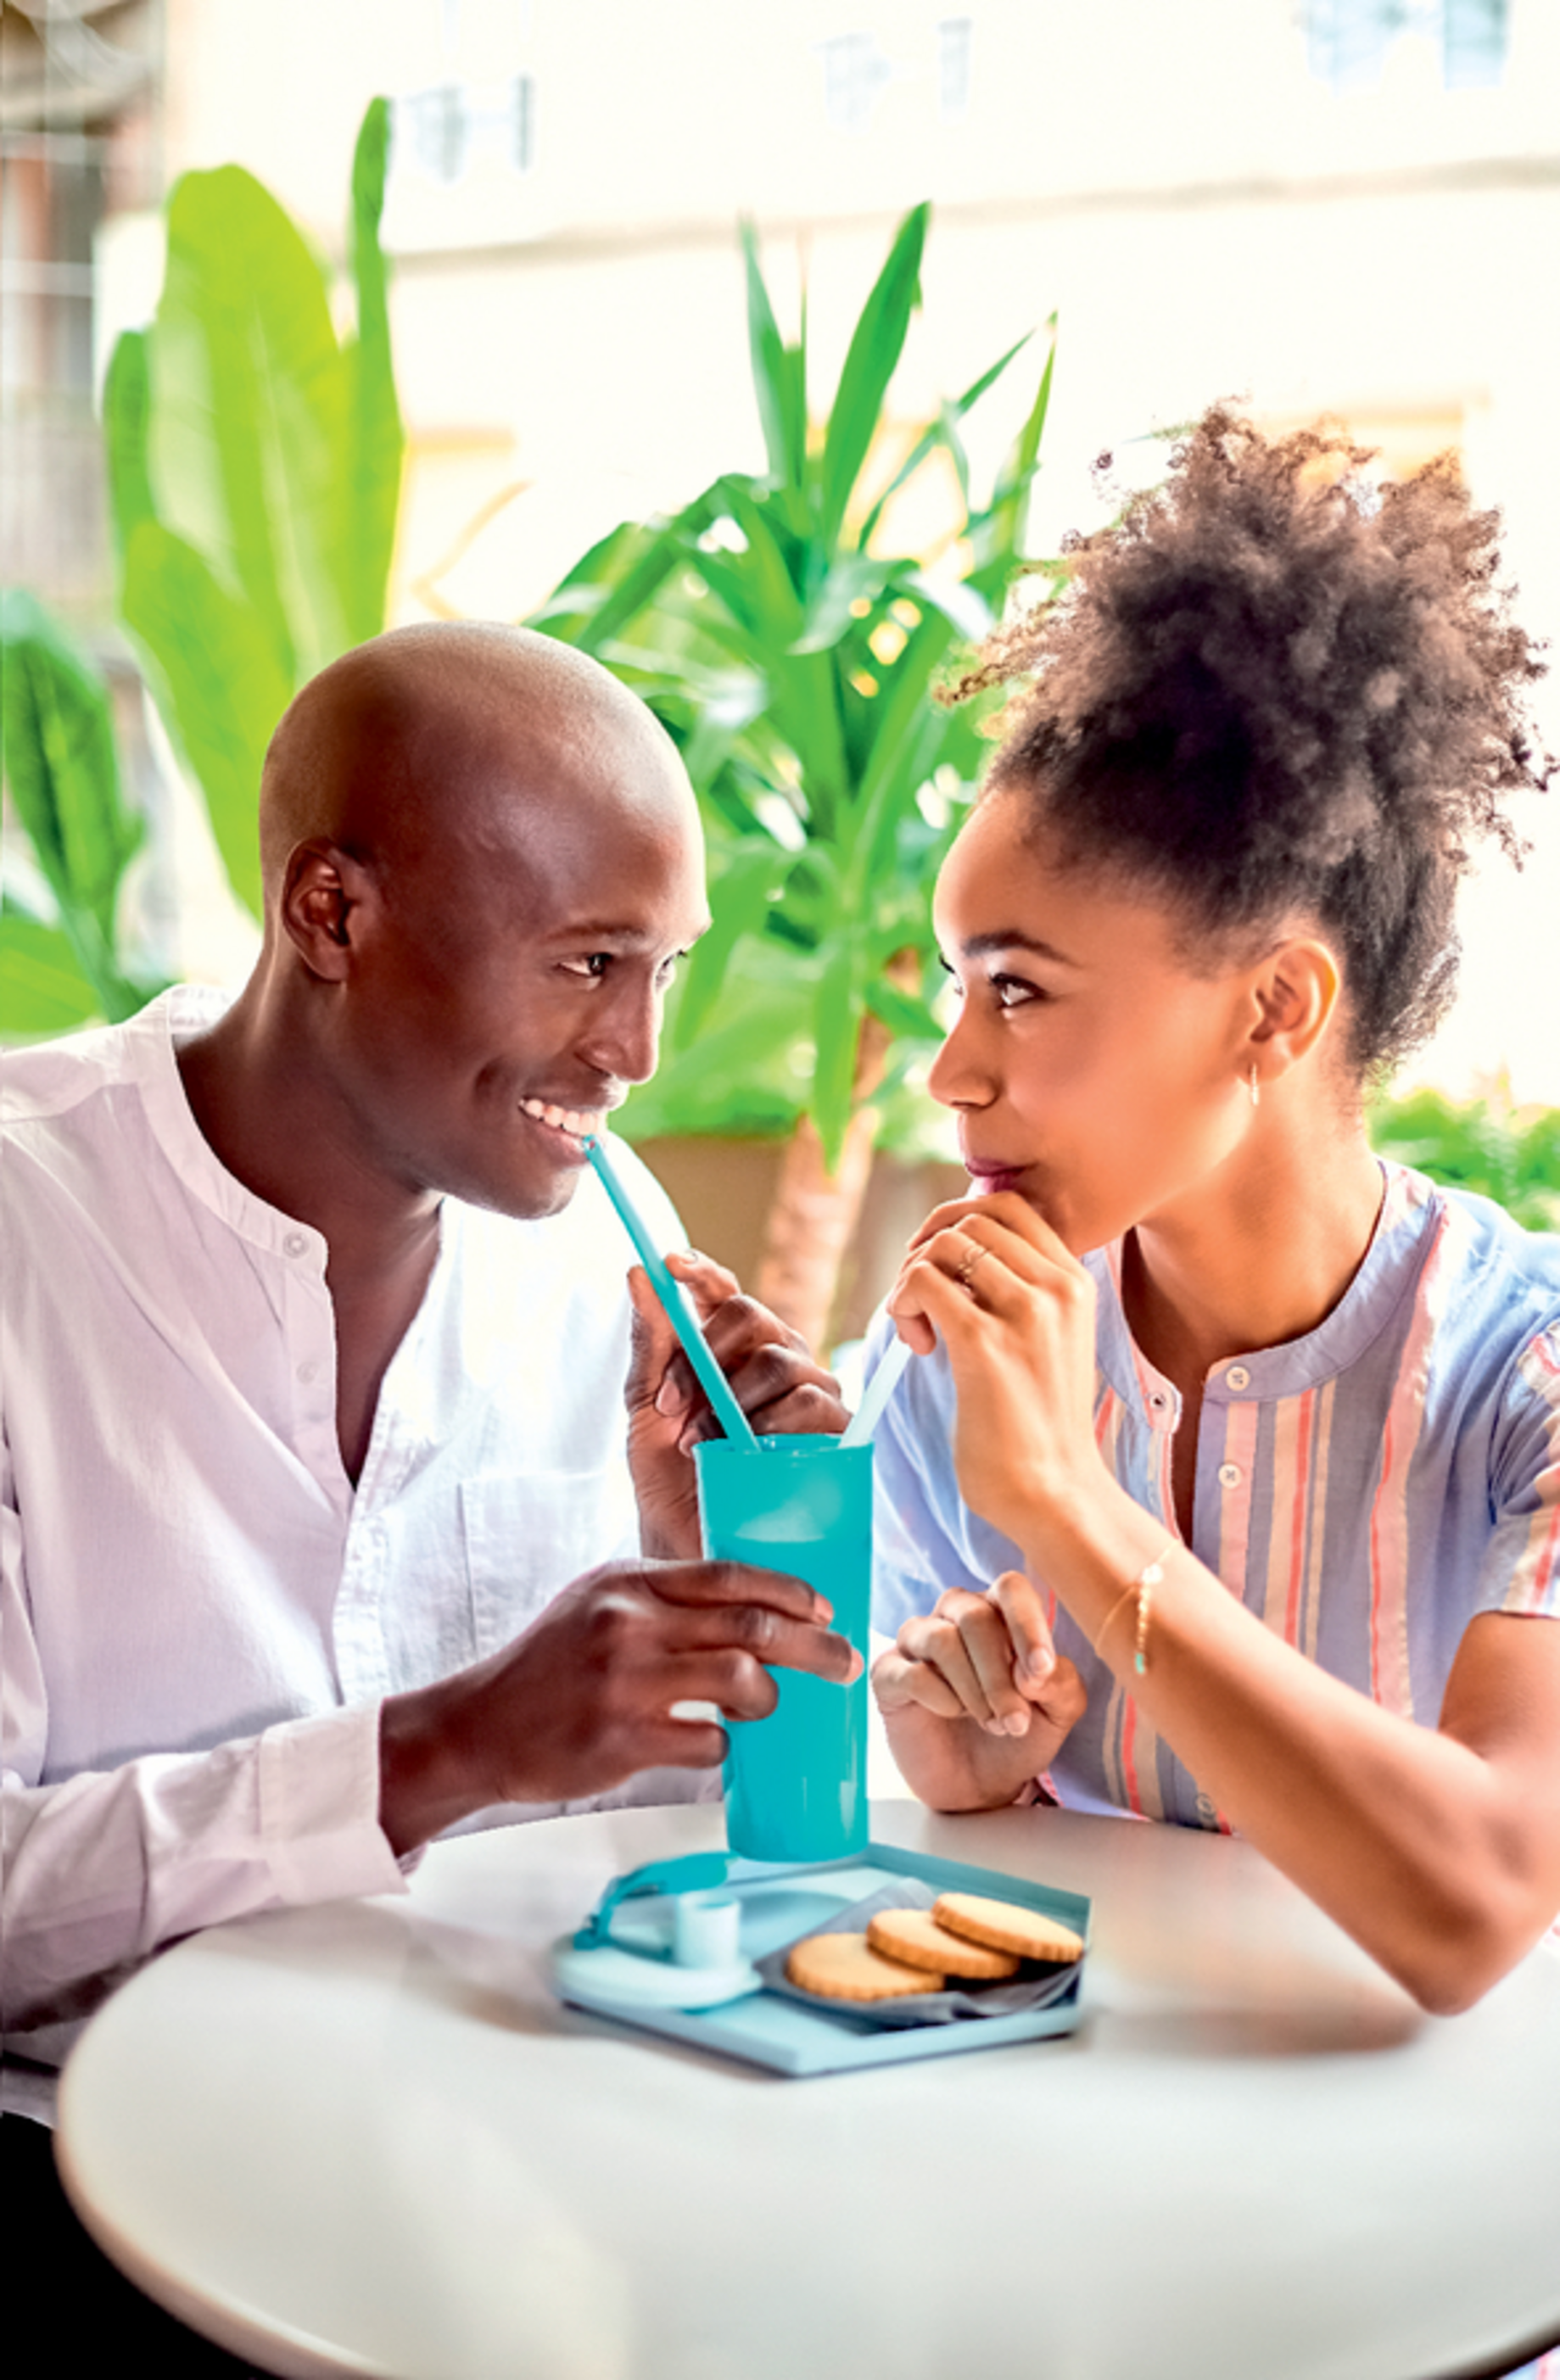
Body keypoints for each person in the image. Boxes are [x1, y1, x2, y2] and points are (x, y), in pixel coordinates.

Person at [3, 620, 857, 2120]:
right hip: (100, 2162)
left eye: (664, 969)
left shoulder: (612, 1237)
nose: (639, 1048)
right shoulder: (28, 1229)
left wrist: (706, 1573)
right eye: (590, 961)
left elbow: (650, 1866)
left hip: (514, 2146)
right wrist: (440, 1748)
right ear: (331, 913)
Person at [869, 407, 1560, 2028]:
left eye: (1020, 990)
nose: (952, 1075)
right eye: (960, 989)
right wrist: (963, 1767)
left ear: (1272, 1010)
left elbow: (1477, 1901)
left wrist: (1065, 1505)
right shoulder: (957, 1353)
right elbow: (945, 1850)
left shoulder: (1523, 1380)